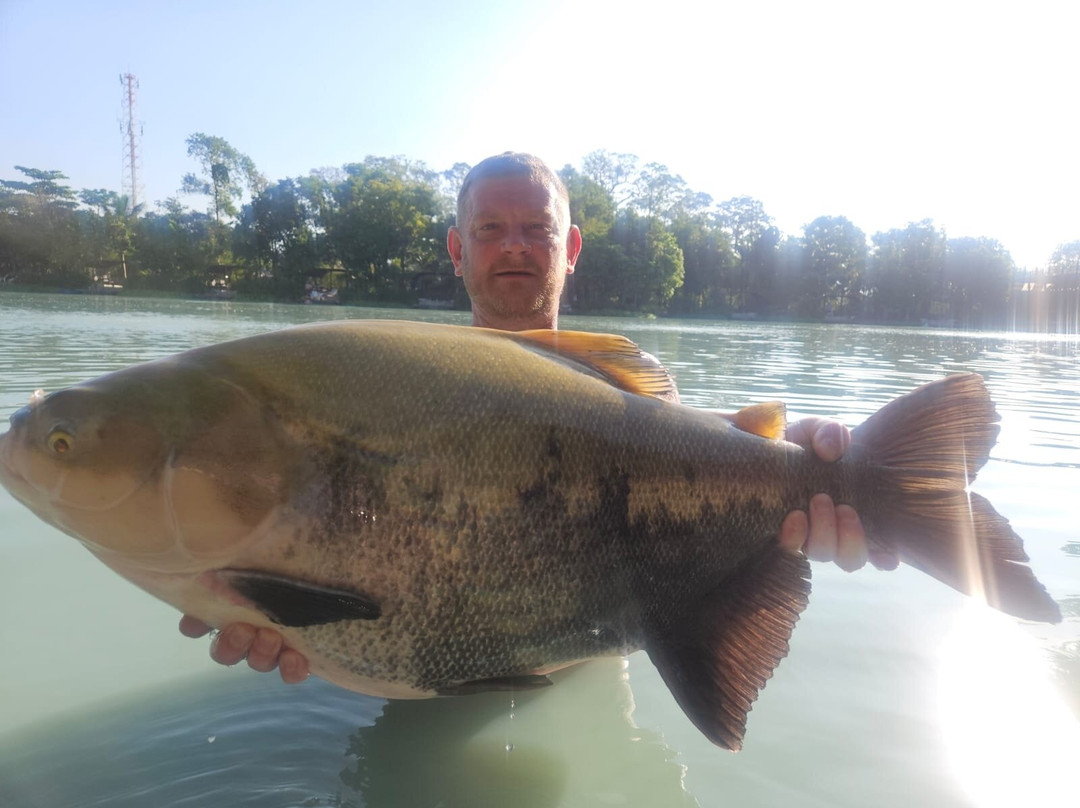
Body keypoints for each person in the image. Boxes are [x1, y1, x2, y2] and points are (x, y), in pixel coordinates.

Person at [180, 152, 898, 683]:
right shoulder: (389, 393)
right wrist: (255, 600)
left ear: (571, 248)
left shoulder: (642, 398)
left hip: (577, 686)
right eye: (491, 228)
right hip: (404, 696)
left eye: (536, 227)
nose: (515, 244)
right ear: (458, 250)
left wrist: (814, 466)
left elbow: (716, 453)